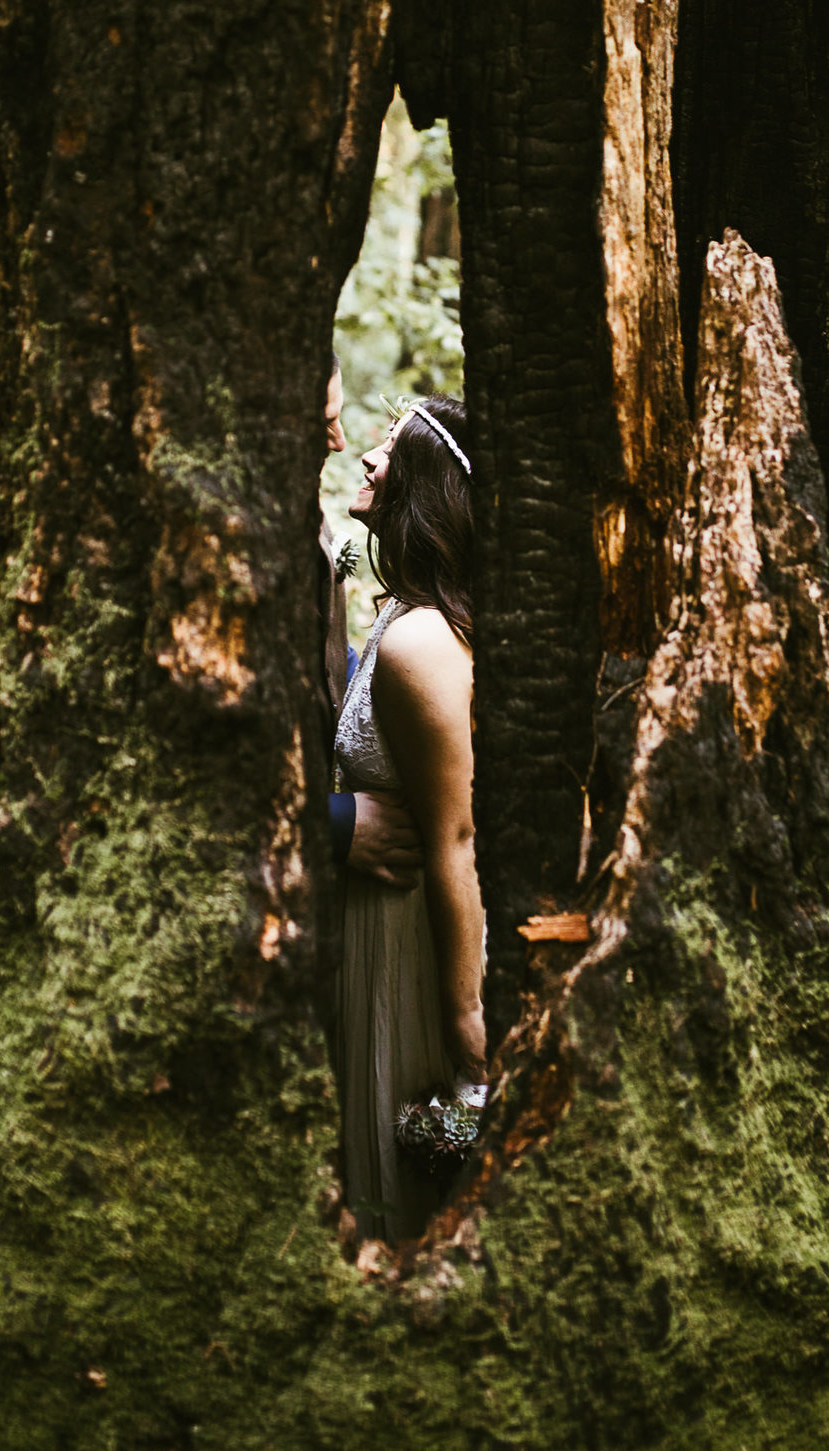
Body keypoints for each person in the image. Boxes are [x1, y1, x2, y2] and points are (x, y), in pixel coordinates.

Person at [333, 394, 486, 1246]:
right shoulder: (403, 615)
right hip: (381, 915)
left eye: (388, 450)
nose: (367, 461)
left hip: (414, 938)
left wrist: (465, 1014)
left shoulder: (422, 642)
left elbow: (455, 839)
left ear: (424, 484)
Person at [321, 358, 421, 890]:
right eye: (323, 422)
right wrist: (332, 826)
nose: (344, 446)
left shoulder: (424, 634)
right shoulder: (395, 610)